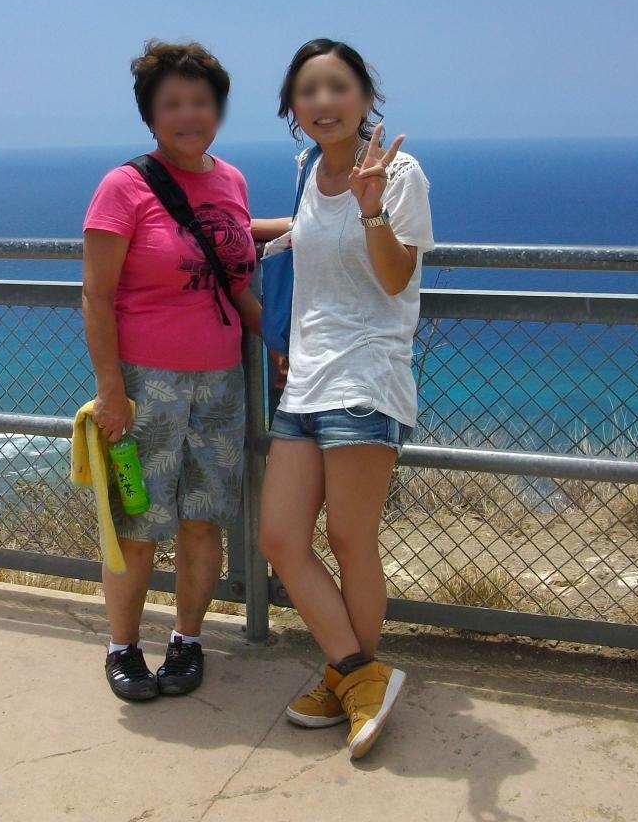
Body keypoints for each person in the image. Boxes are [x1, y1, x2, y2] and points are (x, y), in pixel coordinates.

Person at [253, 38, 434, 758]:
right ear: (292, 107)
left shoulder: (399, 174)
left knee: (351, 541)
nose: (323, 102)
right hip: (304, 378)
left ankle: (350, 679)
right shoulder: (307, 168)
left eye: (337, 87)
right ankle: (358, 675)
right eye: (308, 90)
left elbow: (395, 278)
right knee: (280, 539)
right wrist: (222, 230)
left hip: (365, 376)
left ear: (365, 97)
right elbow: (304, 234)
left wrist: (372, 207)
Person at [82, 40, 260, 701]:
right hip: (143, 384)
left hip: (222, 382)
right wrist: (110, 391)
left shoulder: (232, 180)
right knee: (137, 524)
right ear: (150, 115)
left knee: (202, 520)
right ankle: (123, 647)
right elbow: (96, 294)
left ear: (218, 109)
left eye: (201, 101)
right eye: (173, 103)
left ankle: (187, 641)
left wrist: (278, 338)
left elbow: (232, 260)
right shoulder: (123, 187)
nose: (189, 115)